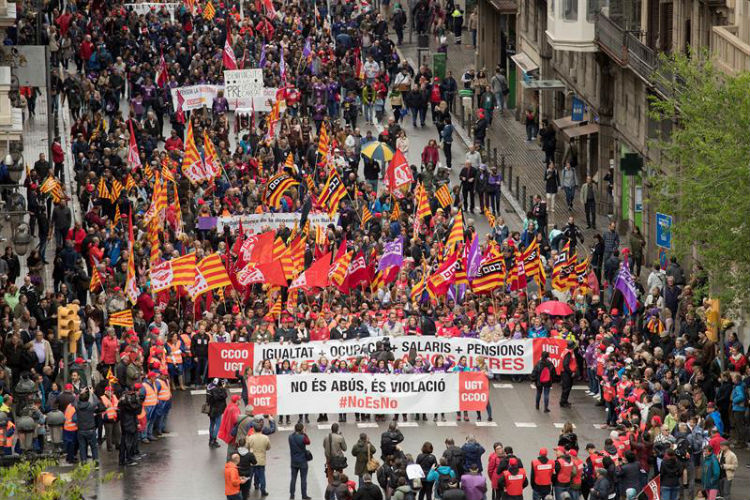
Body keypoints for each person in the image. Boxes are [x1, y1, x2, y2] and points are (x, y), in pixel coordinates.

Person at [247, 418, 272, 496]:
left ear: (254, 429)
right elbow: (268, 447)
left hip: (252, 459)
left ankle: (247, 491)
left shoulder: (250, 438)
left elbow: (246, 447)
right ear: (261, 429)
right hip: (261, 459)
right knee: (262, 476)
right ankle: (263, 490)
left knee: (250, 476)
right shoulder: (265, 438)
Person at [289, 422, 312, 500]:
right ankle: (304, 495)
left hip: (294, 461)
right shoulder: (303, 437)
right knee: (303, 479)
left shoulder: (290, 437)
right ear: (302, 429)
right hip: (302, 461)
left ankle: (292, 495)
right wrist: (305, 433)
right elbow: (308, 442)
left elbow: (293, 435)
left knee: (293, 479)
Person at [206, 378, 227, 448]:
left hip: (211, 409)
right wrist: (223, 388)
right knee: (218, 425)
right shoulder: (217, 390)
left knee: (211, 424)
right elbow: (224, 396)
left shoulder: (209, 386)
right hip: (217, 409)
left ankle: (210, 440)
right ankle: (213, 441)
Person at [559, 341, 577, 408]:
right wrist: (571, 372)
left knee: (566, 387)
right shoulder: (568, 353)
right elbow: (565, 364)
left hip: (565, 372)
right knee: (567, 388)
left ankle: (564, 401)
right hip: (567, 373)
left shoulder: (565, 351)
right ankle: (563, 402)